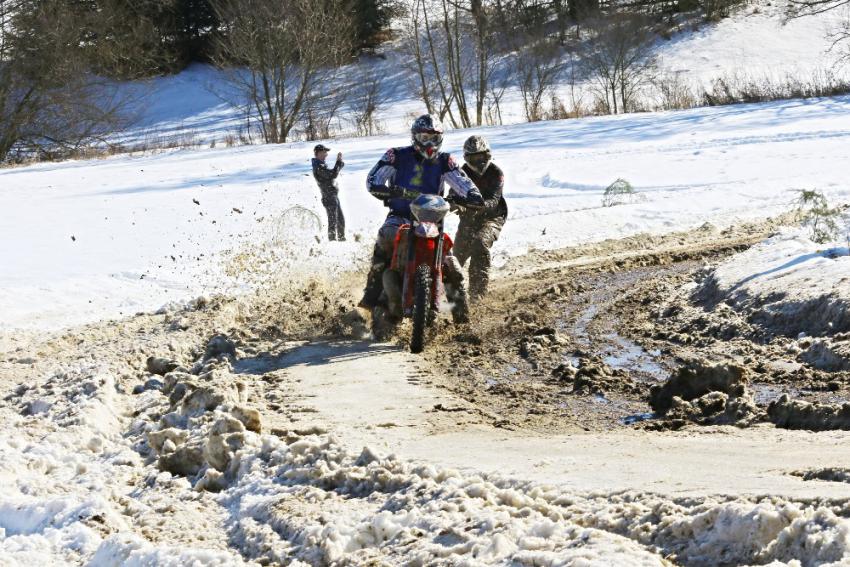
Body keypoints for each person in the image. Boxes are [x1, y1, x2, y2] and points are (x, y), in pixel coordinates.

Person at [358, 114, 484, 322]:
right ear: (415, 137)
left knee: (451, 265)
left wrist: (471, 196)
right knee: (385, 237)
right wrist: (387, 190)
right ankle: (371, 296)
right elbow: (373, 179)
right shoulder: (396, 156)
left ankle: (462, 322)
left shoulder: (445, 161)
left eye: (434, 138)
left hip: (432, 221)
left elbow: (464, 183)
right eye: (424, 138)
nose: (429, 143)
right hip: (400, 217)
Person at [453, 135, 508, 300]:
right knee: (455, 257)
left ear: (488, 155)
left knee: (480, 243)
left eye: (481, 157)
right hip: (469, 219)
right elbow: (453, 192)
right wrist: (454, 202)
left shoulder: (496, 173)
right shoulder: (461, 173)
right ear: (467, 158)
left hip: (493, 217)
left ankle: (477, 293)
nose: (478, 162)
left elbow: (494, 200)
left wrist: (475, 205)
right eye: (474, 158)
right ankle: (448, 294)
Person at [311, 143, 346, 241]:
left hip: (332, 196)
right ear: (318, 153)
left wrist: (339, 164)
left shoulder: (320, 165)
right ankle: (333, 242)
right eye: (324, 152)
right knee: (333, 221)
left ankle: (342, 241)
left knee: (340, 220)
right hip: (329, 197)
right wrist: (339, 163)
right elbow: (332, 174)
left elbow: (332, 174)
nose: (326, 154)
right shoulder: (318, 167)